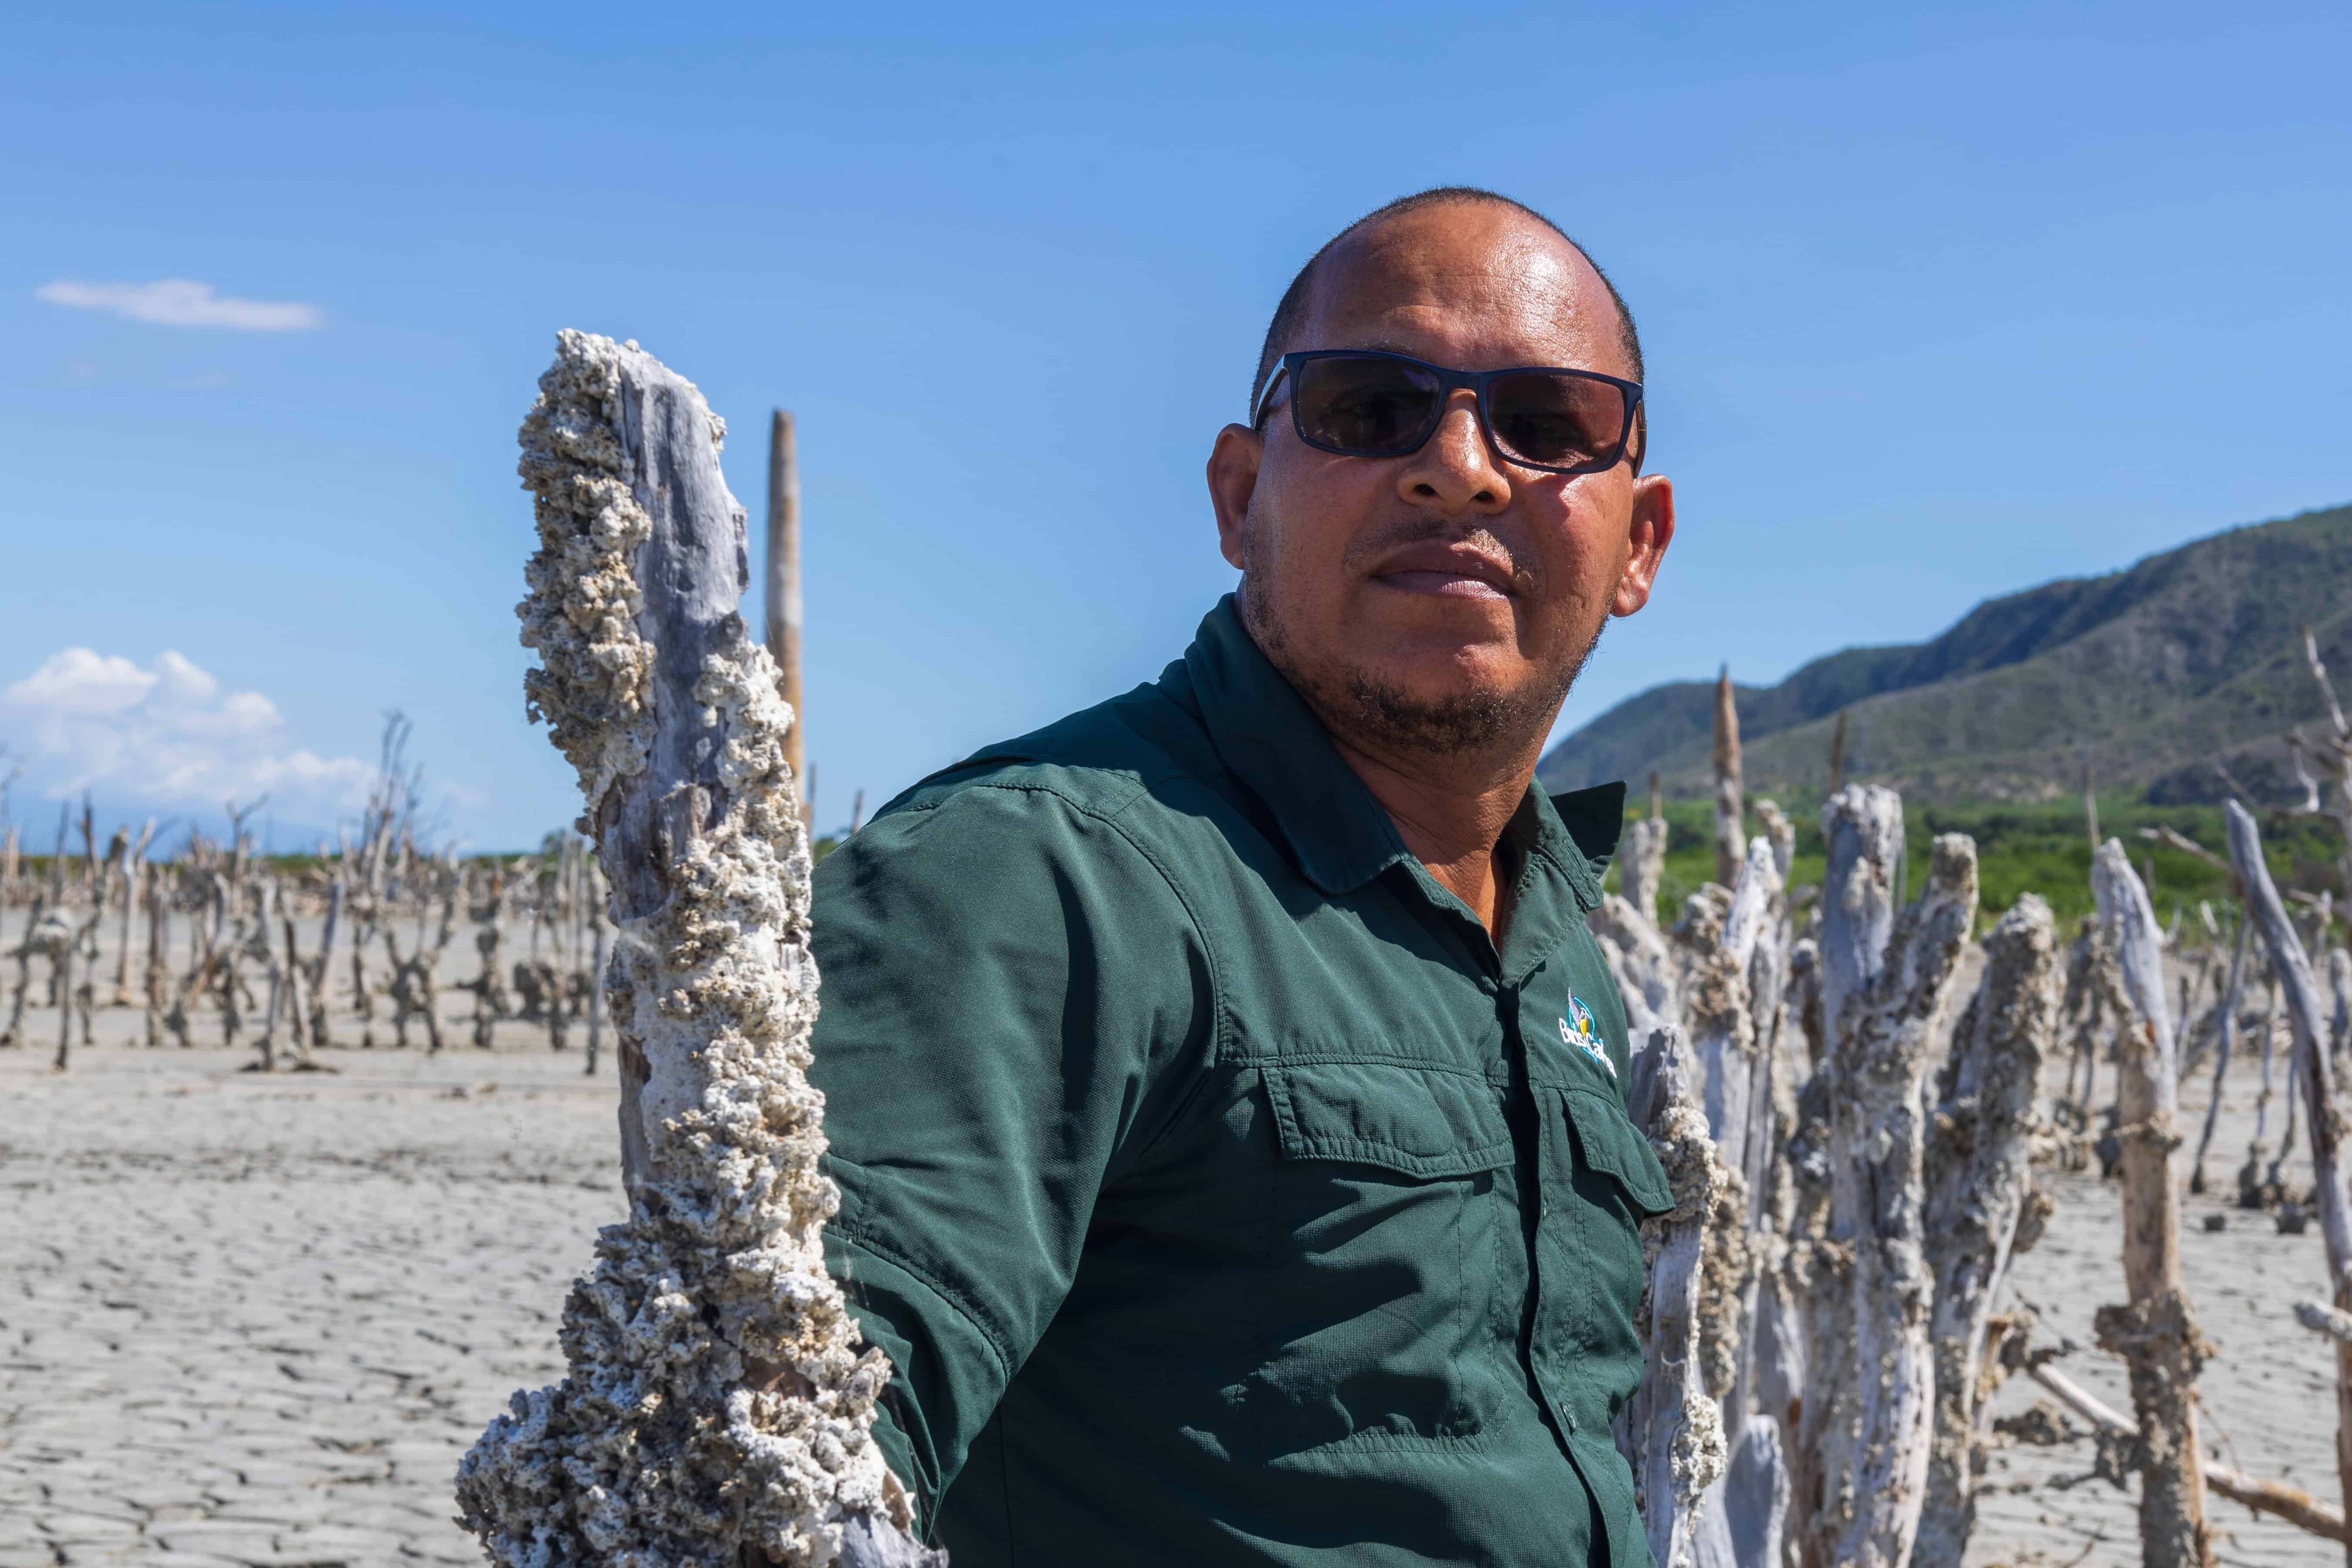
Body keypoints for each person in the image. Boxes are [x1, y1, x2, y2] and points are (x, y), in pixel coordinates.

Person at [810, 185, 1678, 1567]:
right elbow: (783, 1451)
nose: (1461, 467)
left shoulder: (1551, 942)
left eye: (1548, 421)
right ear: (1236, 496)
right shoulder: (1037, 880)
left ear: (1638, 543)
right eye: (1368, 406)